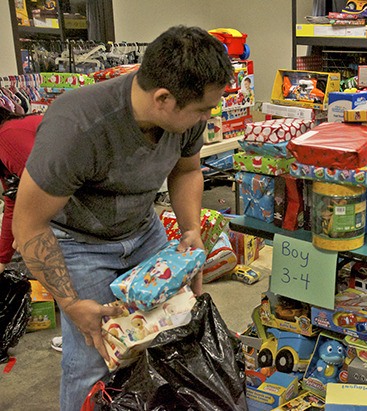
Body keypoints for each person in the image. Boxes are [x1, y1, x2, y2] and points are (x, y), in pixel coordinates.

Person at [13, 26, 233, 411]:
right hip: (79, 243)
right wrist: (69, 302)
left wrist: (191, 230)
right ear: (164, 99)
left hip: (143, 230)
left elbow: (186, 170)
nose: (208, 116)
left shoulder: (187, 116)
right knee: (94, 358)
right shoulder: (76, 126)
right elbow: (28, 225)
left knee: (169, 330)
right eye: (202, 109)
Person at [0, 107, 41, 273]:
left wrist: (24, 228)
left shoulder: (6, 137)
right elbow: (13, 203)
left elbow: (43, 187)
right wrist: (2, 259)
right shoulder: (8, 134)